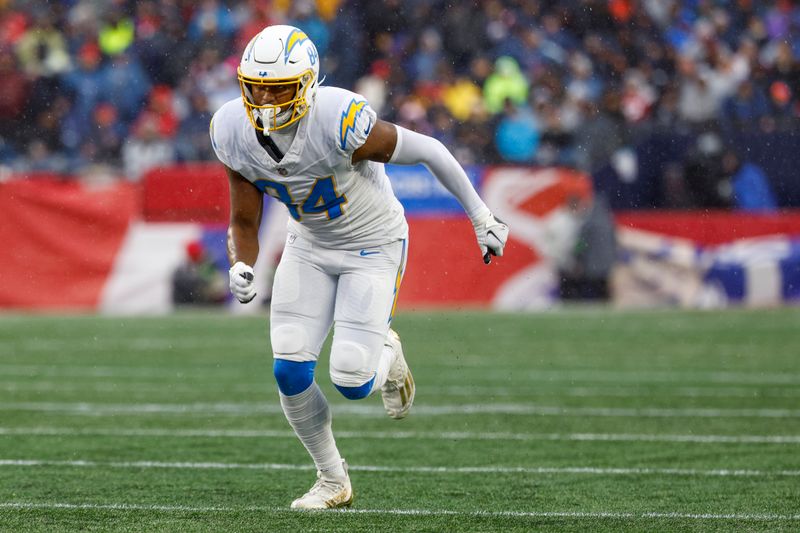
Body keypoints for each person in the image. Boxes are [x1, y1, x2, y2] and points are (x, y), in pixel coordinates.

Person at [210, 25, 509, 510]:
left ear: (307, 84)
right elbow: (244, 217)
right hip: (308, 244)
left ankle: (388, 357)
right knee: (288, 366)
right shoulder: (230, 129)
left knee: (352, 380)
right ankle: (332, 480)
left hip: (372, 244)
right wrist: (242, 264)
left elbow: (429, 150)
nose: (264, 99)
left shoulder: (337, 119)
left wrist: (481, 215)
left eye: (278, 87)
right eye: (255, 86)